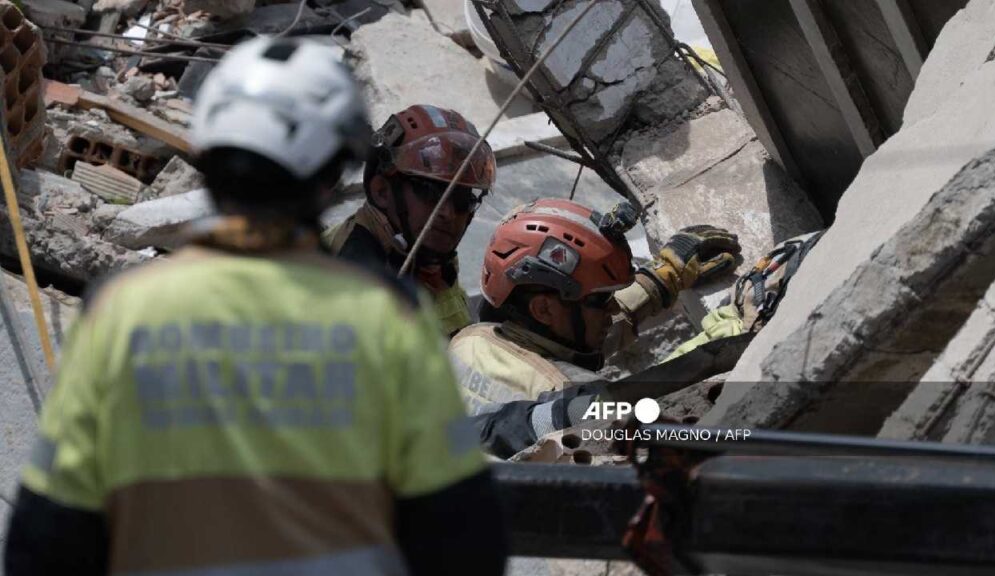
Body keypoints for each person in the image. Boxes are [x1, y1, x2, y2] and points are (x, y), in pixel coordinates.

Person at [4, 37, 506, 576]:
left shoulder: (123, 312)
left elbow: (46, 542)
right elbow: (465, 541)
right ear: (332, 174)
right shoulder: (386, 318)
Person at [449, 199, 740, 434]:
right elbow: (663, 405)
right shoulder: (572, 395)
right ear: (543, 309)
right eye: (602, 299)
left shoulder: (470, 339)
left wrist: (658, 282)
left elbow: (571, 339)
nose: (613, 309)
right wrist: (731, 333)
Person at [322, 104, 497, 336]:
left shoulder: (424, 254)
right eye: (430, 193)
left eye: (462, 199)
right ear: (382, 191)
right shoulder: (353, 289)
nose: (449, 213)